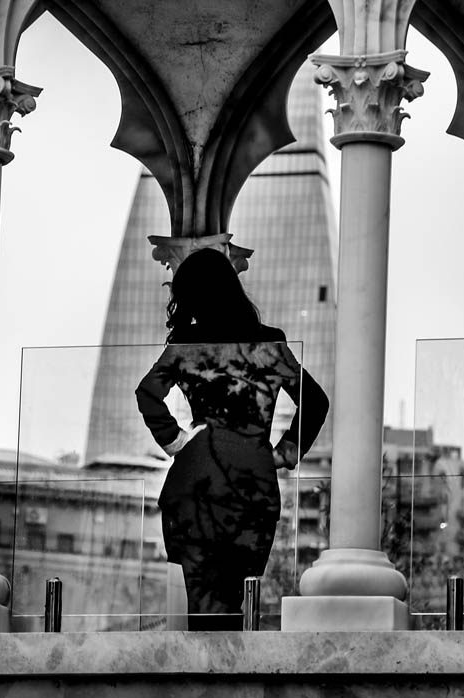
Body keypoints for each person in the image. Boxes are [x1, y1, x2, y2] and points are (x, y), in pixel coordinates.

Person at [136, 247, 328, 630]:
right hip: (252, 487)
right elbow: (316, 401)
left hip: (196, 482)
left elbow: (147, 393)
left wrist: (176, 441)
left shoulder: (186, 345)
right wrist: (283, 452)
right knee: (233, 603)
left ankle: (206, 668)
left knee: (202, 606)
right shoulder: (269, 343)